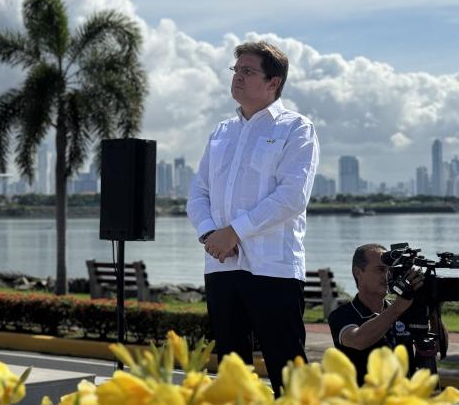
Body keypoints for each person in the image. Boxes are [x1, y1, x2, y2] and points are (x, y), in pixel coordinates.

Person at [187, 40, 319, 395]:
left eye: (248, 71)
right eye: (236, 70)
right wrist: (211, 235)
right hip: (221, 264)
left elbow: (292, 197)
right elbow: (198, 193)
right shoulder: (221, 132)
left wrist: (234, 232)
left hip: (273, 268)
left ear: (273, 82)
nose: (238, 77)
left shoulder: (296, 128)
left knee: (288, 372)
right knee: (232, 374)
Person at [328, 243, 447, 384]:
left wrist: (432, 312)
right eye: (380, 269)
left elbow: (439, 348)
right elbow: (358, 340)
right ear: (358, 272)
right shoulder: (342, 315)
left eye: (390, 270)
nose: (387, 275)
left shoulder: (402, 309)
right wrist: (398, 306)